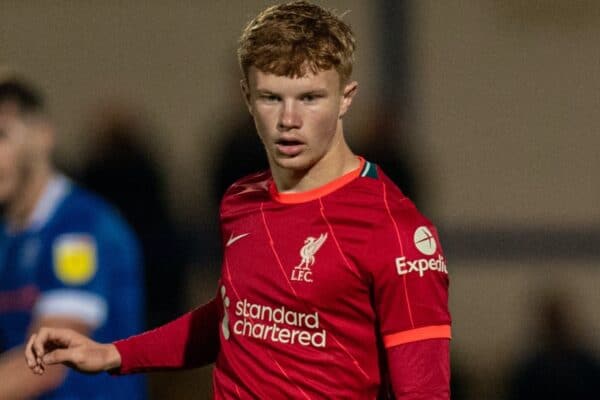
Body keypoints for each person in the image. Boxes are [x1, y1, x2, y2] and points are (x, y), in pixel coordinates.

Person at [25, 1, 452, 398]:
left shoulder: (396, 232)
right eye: (271, 97)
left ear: (346, 98)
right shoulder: (241, 200)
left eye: (309, 98)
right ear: (247, 98)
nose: (288, 120)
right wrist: (113, 354)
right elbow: (235, 317)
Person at [0, 76, 147, 399]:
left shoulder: (81, 229)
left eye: (3, 136)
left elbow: (46, 364)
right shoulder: (8, 235)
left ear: (42, 137)